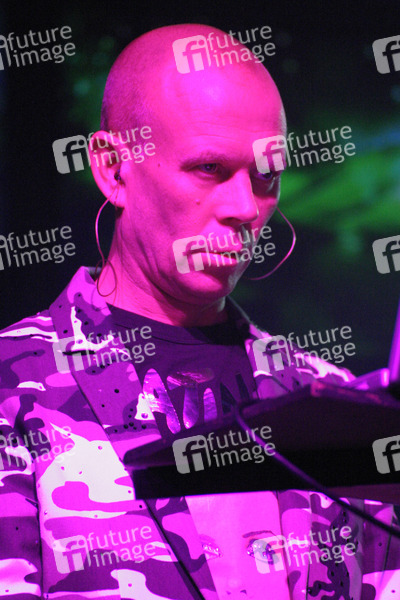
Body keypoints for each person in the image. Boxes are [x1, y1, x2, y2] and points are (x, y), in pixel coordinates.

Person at [0, 22, 398, 600]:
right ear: (113, 168)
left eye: (266, 176)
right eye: (209, 168)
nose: (245, 208)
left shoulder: (334, 410)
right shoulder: (14, 391)